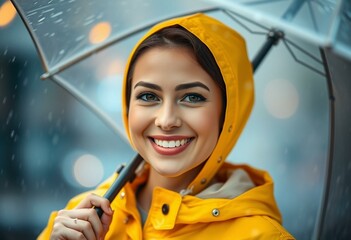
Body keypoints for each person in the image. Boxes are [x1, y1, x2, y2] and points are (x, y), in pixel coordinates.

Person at [38, 13, 294, 240]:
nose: (166, 120)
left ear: (227, 115)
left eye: (192, 97)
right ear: (128, 106)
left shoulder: (262, 236)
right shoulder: (77, 219)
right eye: (148, 96)